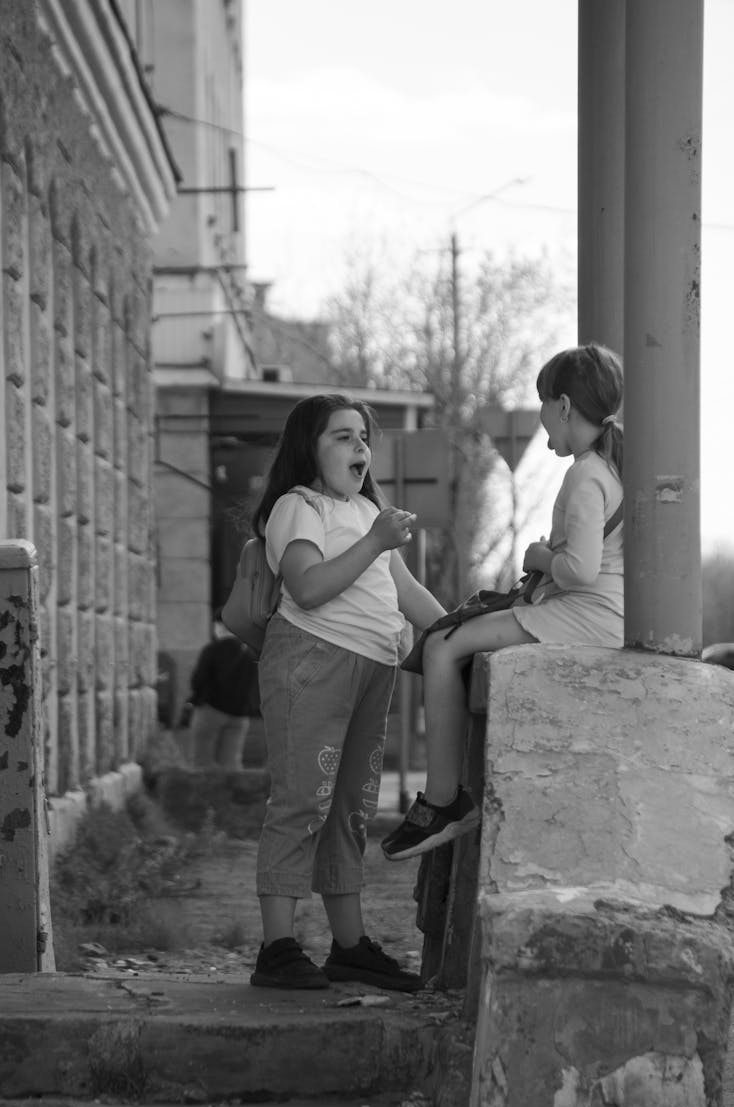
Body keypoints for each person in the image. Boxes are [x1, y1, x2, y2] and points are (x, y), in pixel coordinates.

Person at [381, 342, 624, 862]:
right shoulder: (606, 466)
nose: (540, 418)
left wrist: (540, 555)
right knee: (452, 640)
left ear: (563, 406)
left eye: (541, 403)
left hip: (585, 616)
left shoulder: (585, 474)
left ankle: (444, 799)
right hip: (600, 616)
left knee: (443, 647)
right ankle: (447, 792)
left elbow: (580, 571)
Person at [249, 393, 446, 991]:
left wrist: (459, 642)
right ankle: (277, 949)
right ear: (309, 448)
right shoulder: (299, 506)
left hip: (372, 669)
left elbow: (408, 596)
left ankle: (350, 947)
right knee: (301, 802)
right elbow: (307, 587)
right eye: (341, 436)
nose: (359, 447)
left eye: (363, 436)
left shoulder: (364, 513)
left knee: (350, 811)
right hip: (312, 660)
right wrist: (377, 541)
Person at [188, 615, 260, 771]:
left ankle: (206, 795)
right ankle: (231, 795)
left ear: (219, 626)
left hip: (211, 711)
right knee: (231, 765)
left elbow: (198, 680)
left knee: (202, 763)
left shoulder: (212, 650)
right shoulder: (249, 653)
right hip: (239, 715)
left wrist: (198, 698)